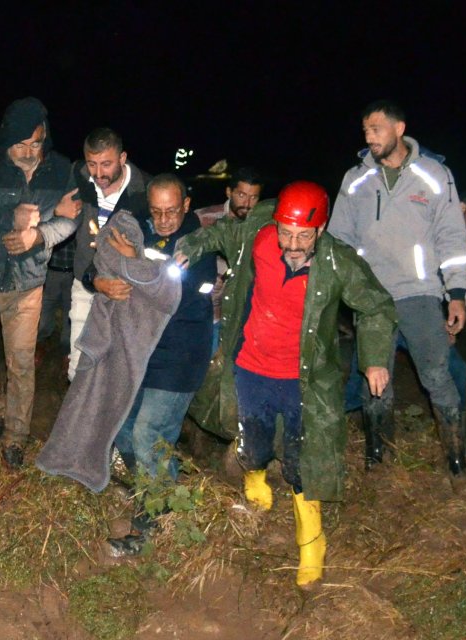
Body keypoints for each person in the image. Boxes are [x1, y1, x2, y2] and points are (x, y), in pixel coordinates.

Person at [176, 181, 396, 586]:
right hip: (251, 368)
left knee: (301, 459)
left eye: (304, 236)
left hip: (302, 379)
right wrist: (191, 245)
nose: (292, 245)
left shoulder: (337, 263)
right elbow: (222, 233)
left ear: (321, 229)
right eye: (286, 233)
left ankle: (311, 541)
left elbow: (377, 306)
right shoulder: (260, 237)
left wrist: (375, 359)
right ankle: (256, 489)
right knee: (252, 440)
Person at [328, 100, 466, 481]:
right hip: (371, 299)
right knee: (375, 383)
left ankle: (457, 460)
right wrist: (342, 291)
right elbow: (338, 240)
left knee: (437, 376)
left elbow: (451, 238)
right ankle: (379, 461)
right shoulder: (355, 179)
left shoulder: (434, 174)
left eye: (375, 129)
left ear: (399, 129)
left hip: (419, 294)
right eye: (365, 130)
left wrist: (457, 293)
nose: (368, 137)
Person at [0, 97, 79, 469]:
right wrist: (8, 215)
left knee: (21, 362)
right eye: (19, 144)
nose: (28, 152)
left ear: (45, 136)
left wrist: (38, 236)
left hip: (29, 282)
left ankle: (15, 437)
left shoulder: (60, 169)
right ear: (6, 138)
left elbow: (70, 218)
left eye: (35, 143)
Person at [110, 175, 216, 543]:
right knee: (122, 426)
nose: (164, 220)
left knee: (149, 433)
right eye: (156, 212)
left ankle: (152, 523)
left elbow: (176, 298)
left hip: (181, 354)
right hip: (143, 351)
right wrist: (100, 279)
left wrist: (134, 265)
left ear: (186, 205)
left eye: (171, 211)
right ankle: (155, 491)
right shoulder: (140, 232)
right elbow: (103, 264)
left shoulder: (199, 245)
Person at [66, 129, 151, 380]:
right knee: (77, 367)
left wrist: (135, 256)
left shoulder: (144, 191)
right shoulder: (78, 175)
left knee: (114, 369)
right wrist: (58, 210)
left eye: (106, 164)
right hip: (84, 283)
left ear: (122, 158)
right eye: (92, 164)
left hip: (123, 289)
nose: (98, 173)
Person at [195, 167, 265, 353]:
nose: (247, 204)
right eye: (241, 195)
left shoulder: (263, 228)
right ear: (229, 192)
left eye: (254, 197)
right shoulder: (204, 219)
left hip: (242, 317)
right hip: (206, 314)